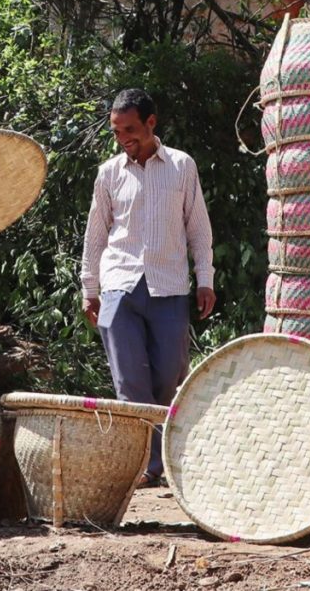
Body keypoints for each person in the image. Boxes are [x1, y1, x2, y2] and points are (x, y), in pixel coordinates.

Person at [80, 88, 216, 486]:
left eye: (131, 129)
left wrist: (205, 278)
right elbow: (95, 234)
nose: (124, 137)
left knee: (169, 377)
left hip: (169, 286)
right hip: (119, 285)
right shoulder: (108, 173)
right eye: (117, 130)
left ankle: (170, 461)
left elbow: (198, 227)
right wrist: (90, 287)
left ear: (151, 123)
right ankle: (142, 466)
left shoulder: (181, 166)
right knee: (129, 382)